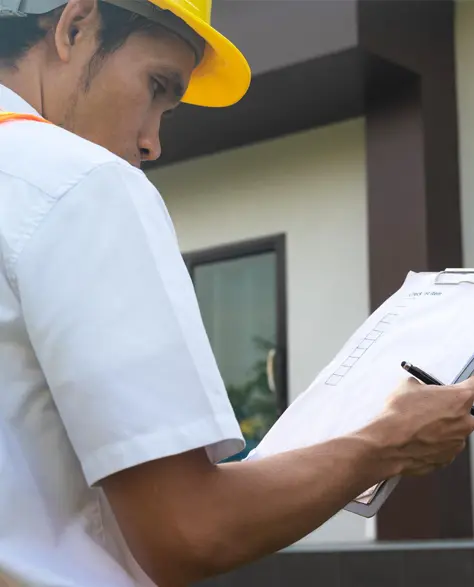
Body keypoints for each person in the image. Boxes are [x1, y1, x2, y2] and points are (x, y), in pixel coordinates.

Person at [0, 1, 473, 586]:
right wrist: (387, 443)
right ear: (74, 25)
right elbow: (191, 531)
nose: (151, 143)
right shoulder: (81, 181)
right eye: (156, 87)